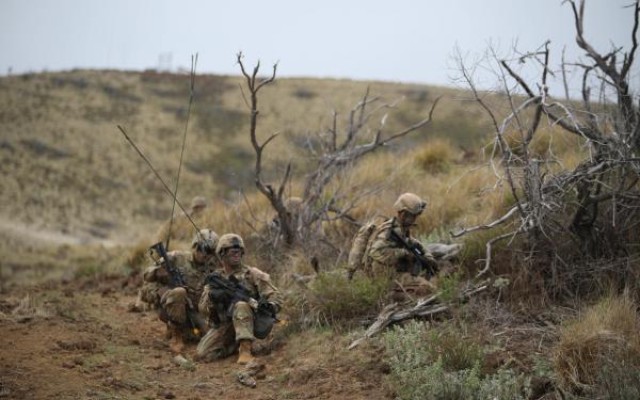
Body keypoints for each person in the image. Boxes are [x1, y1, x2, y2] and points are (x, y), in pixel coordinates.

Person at [196, 233, 282, 365]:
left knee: (241, 305)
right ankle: (234, 346)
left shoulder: (252, 274)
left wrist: (269, 305)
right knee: (202, 354)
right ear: (222, 254)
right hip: (226, 324)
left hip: (249, 321)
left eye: (239, 251)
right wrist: (212, 298)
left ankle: (245, 351)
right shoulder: (216, 279)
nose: (237, 254)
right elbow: (203, 310)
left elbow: (274, 295)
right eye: (232, 252)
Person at [139, 228, 219, 353]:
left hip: (197, 310)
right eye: (200, 248)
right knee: (179, 292)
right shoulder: (176, 258)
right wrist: (157, 273)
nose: (204, 254)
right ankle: (176, 335)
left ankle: (187, 330)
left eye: (209, 251)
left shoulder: (214, 269)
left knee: (208, 337)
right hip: (174, 304)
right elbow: (146, 276)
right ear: (194, 246)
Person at [360, 193, 437, 299]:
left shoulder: (400, 228)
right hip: (386, 276)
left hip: (395, 271)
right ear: (403, 214)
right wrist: (402, 253)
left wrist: (427, 256)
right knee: (428, 289)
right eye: (413, 215)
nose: (415, 219)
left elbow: (412, 242)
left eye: (416, 215)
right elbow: (374, 251)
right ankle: (389, 295)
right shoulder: (388, 232)